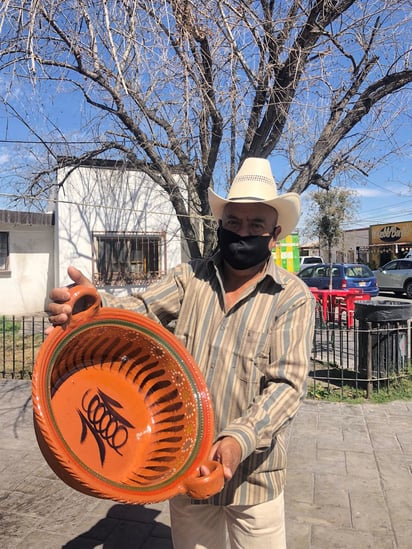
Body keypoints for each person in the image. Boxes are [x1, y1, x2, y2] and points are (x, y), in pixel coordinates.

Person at [46, 157, 315, 549]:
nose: (243, 233)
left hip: (254, 479)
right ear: (220, 227)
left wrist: (239, 438)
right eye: (233, 223)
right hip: (187, 468)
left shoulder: (292, 298)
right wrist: (92, 306)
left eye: (255, 225)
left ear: (273, 236)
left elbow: (287, 386)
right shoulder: (189, 279)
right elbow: (139, 307)